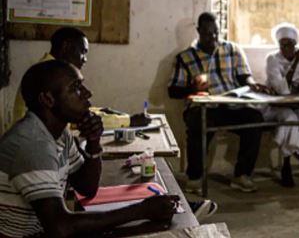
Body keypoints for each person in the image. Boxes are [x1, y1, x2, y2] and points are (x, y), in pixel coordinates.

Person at [0, 60, 178, 237]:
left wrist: (93, 142)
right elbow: (61, 228)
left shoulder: (60, 134)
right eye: (75, 88)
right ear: (48, 99)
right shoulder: (32, 144)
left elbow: (87, 187)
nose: (87, 93)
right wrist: (142, 210)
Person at [168, 12, 268, 193]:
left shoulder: (232, 49)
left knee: (255, 118)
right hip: (203, 107)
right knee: (198, 123)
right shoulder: (185, 57)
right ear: (198, 31)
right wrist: (192, 88)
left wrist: (253, 86)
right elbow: (173, 90)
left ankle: (241, 175)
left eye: (215, 32)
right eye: (207, 33)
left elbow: (245, 77)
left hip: (231, 105)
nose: (212, 37)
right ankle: (195, 177)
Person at [12, 27, 150, 129]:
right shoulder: (50, 76)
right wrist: (129, 121)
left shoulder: (47, 68)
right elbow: (79, 118)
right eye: (83, 52)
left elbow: (70, 109)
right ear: (66, 47)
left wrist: (100, 111)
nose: (85, 59)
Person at [264, 22, 299, 186]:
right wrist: (295, 63)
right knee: (289, 120)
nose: (286, 48)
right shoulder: (272, 59)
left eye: (290, 44)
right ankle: (287, 164)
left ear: (296, 44)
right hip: (279, 106)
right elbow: (281, 89)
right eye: (283, 44)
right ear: (279, 44)